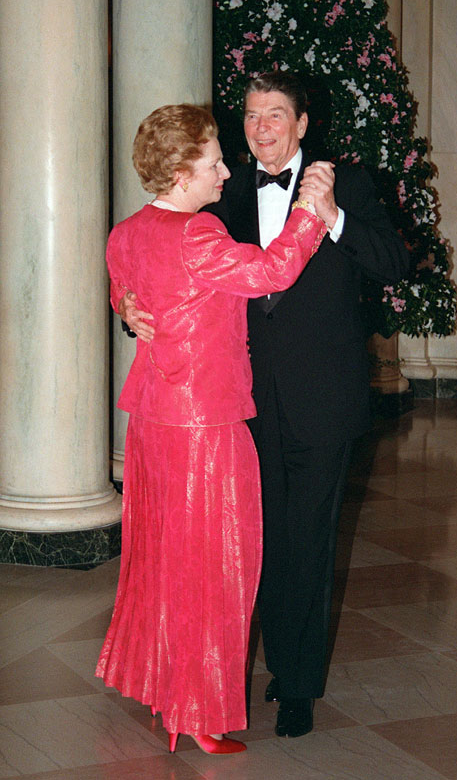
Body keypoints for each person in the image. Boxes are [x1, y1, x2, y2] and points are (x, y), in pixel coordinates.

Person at [121, 73, 410, 739]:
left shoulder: (348, 185)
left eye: (276, 114)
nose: (262, 127)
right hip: (237, 406)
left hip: (321, 397)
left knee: (309, 540)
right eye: (252, 115)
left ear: (303, 123)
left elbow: (394, 263)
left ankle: (298, 681)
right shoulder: (219, 195)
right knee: (259, 542)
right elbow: (158, 266)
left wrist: (331, 214)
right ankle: (263, 659)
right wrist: (127, 307)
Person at [96, 102, 329, 755]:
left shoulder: (126, 232)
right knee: (219, 567)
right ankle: (194, 712)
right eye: (213, 161)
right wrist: (311, 213)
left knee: (161, 560)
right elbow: (273, 272)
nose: (227, 170)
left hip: (150, 419)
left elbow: (123, 289)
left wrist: (130, 307)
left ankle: (163, 690)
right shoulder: (198, 234)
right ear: (180, 172)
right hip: (205, 423)